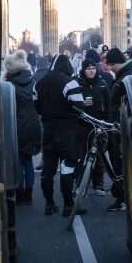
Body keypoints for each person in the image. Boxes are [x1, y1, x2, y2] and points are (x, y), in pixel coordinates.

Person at [35, 54, 88, 217]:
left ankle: (49, 204)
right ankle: (68, 205)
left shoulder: (40, 83)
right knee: (67, 167)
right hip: (67, 130)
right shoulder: (69, 82)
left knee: (48, 169)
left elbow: (37, 107)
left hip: (48, 130)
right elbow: (79, 108)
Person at [103, 47, 132, 211]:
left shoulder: (127, 76)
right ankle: (124, 197)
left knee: (122, 165)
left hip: (123, 130)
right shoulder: (130, 73)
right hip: (122, 128)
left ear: (114, 64)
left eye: (110, 65)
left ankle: (123, 198)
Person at [4, 50, 40, 206]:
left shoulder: (9, 85)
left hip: (16, 124)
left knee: (18, 161)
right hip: (33, 124)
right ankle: (29, 195)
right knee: (28, 161)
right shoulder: (33, 82)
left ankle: (19, 194)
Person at [76, 57, 112, 195]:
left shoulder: (102, 84)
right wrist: (82, 104)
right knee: (83, 155)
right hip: (83, 124)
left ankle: (98, 184)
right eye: (88, 68)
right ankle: (81, 183)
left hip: (99, 123)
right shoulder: (78, 83)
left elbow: (108, 104)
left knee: (100, 156)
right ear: (83, 70)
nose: (91, 71)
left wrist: (107, 122)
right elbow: (71, 103)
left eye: (92, 68)